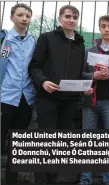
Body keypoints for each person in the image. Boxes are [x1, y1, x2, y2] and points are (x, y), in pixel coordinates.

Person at [28, 5, 86, 184]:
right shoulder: (46, 38)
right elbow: (34, 66)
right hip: (48, 99)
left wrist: (85, 87)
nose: (71, 20)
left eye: (75, 17)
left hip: (70, 102)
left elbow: (79, 74)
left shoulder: (80, 43)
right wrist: (43, 81)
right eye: (68, 16)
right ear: (60, 19)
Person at [78, 15, 109, 185]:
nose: (107, 29)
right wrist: (94, 75)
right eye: (104, 26)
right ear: (99, 28)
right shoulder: (89, 51)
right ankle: (85, 180)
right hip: (90, 102)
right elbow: (81, 74)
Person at [0, 4, 35, 184]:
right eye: (20, 15)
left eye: (27, 16)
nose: (24, 18)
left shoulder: (34, 41)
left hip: (26, 98)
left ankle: (11, 179)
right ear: (12, 17)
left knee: (17, 141)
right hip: (5, 96)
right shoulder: (4, 39)